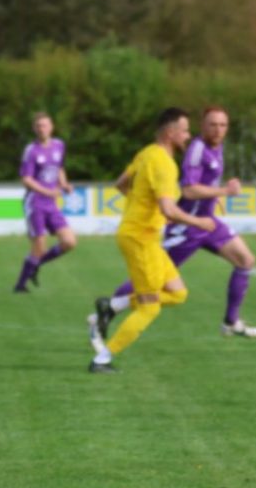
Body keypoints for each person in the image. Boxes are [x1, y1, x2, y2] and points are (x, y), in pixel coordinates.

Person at [92, 106, 256, 340]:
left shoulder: (217, 147)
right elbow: (189, 190)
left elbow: (204, 183)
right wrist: (225, 191)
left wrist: (215, 197)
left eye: (223, 125)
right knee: (152, 278)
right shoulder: (196, 150)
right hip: (187, 226)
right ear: (202, 126)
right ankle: (107, 311)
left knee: (246, 260)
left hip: (207, 223)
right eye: (213, 124)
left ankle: (231, 322)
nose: (218, 130)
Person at [88, 108, 216, 373]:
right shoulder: (165, 164)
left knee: (178, 293)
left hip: (141, 235)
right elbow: (169, 209)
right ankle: (102, 359)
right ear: (170, 133)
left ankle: (113, 305)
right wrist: (199, 222)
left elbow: (121, 183)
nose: (188, 136)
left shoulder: (147, 152)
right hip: (140, 239)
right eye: (185, 131)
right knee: (149, 308)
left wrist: (144, 209)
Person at [13, 112, 76, 292]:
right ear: (34, 129)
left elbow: (59, 168)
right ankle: (20, 286)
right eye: (39, 126)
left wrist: (64, 184)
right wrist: (48, 191)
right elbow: (26, 179)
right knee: (40, 246)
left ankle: (35, 266)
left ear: (52, 127)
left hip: (51, 204)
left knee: (69, 242)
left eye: (45, 125)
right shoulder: (31, 150)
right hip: (35, 204)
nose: (42, 129)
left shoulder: (59, 145)